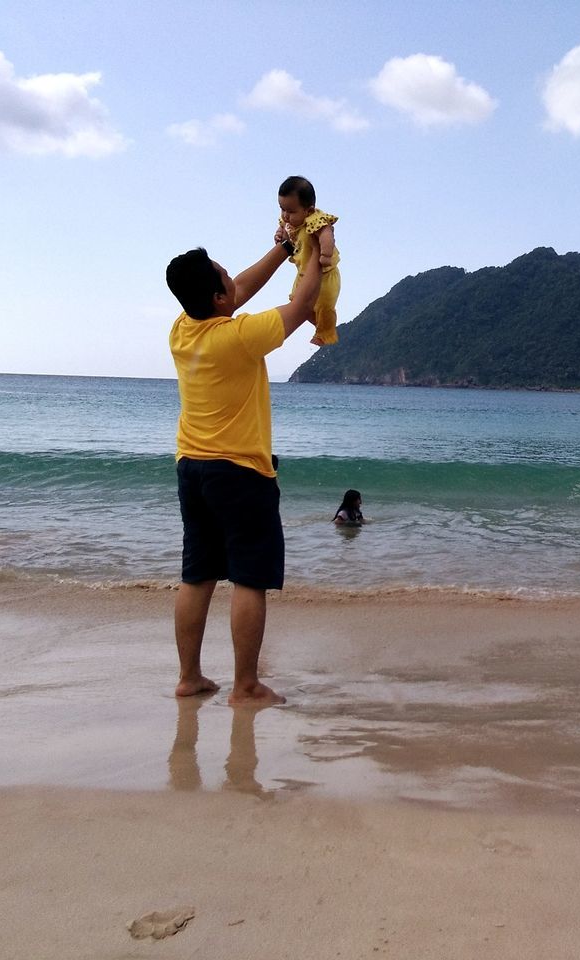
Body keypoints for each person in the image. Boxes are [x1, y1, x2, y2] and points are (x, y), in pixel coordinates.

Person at [165, 233, 323, 705]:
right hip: (239, 473)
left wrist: (282, 247)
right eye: (223, 274)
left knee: (197, 575)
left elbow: (239, 291)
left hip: (192, 468)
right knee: (250, 577)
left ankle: (190, 678)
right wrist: (318, 248)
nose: (232, 277)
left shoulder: (183, 327)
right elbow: (303, 302)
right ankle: (246, 686)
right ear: (217, 297)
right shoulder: (238, 336)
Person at [276, 175, 342, 347]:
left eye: (291, 211)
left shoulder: (316, 220)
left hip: (326, 275)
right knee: (296, 301)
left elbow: (327, 235)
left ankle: (325, 331)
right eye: (282, 209)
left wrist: (325, 255)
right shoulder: (287, 221)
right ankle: (313, 320)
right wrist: (279, 235)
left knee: (325, 306)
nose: (285, 215)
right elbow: (284, 229)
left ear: (309, 210)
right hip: (303, 273)